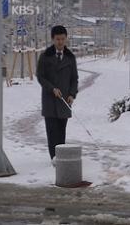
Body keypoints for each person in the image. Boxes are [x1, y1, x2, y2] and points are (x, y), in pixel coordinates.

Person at [37, 25, 79, 166]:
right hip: (50, 100)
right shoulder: (45, 56)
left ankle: (61, 156)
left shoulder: (70, 57)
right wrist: (51, 88)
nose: (60, 42)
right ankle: (54, 158)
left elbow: (74, 79)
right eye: (57, 39)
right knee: (52, 130)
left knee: (61, 131)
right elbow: (40, 77)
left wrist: (72, 94)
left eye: (62, 39)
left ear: (66, 39)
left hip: (64, 100)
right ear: (52, 39)